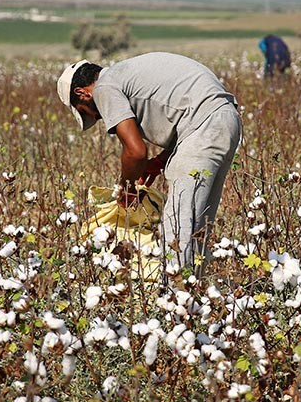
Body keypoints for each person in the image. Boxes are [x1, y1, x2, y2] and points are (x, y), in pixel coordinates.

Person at [57, 52, 241, 274]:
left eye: (87, 114)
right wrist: (160, 161)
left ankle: (175, 296)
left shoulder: (104, 86)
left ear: (82, 93)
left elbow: (135, 152)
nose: (98, 118)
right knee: (198, 225)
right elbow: (184, 113)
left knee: (178, 227)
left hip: (204, 126)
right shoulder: (125, 74)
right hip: (226, 120)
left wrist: (126, 189)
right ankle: (196, 293)